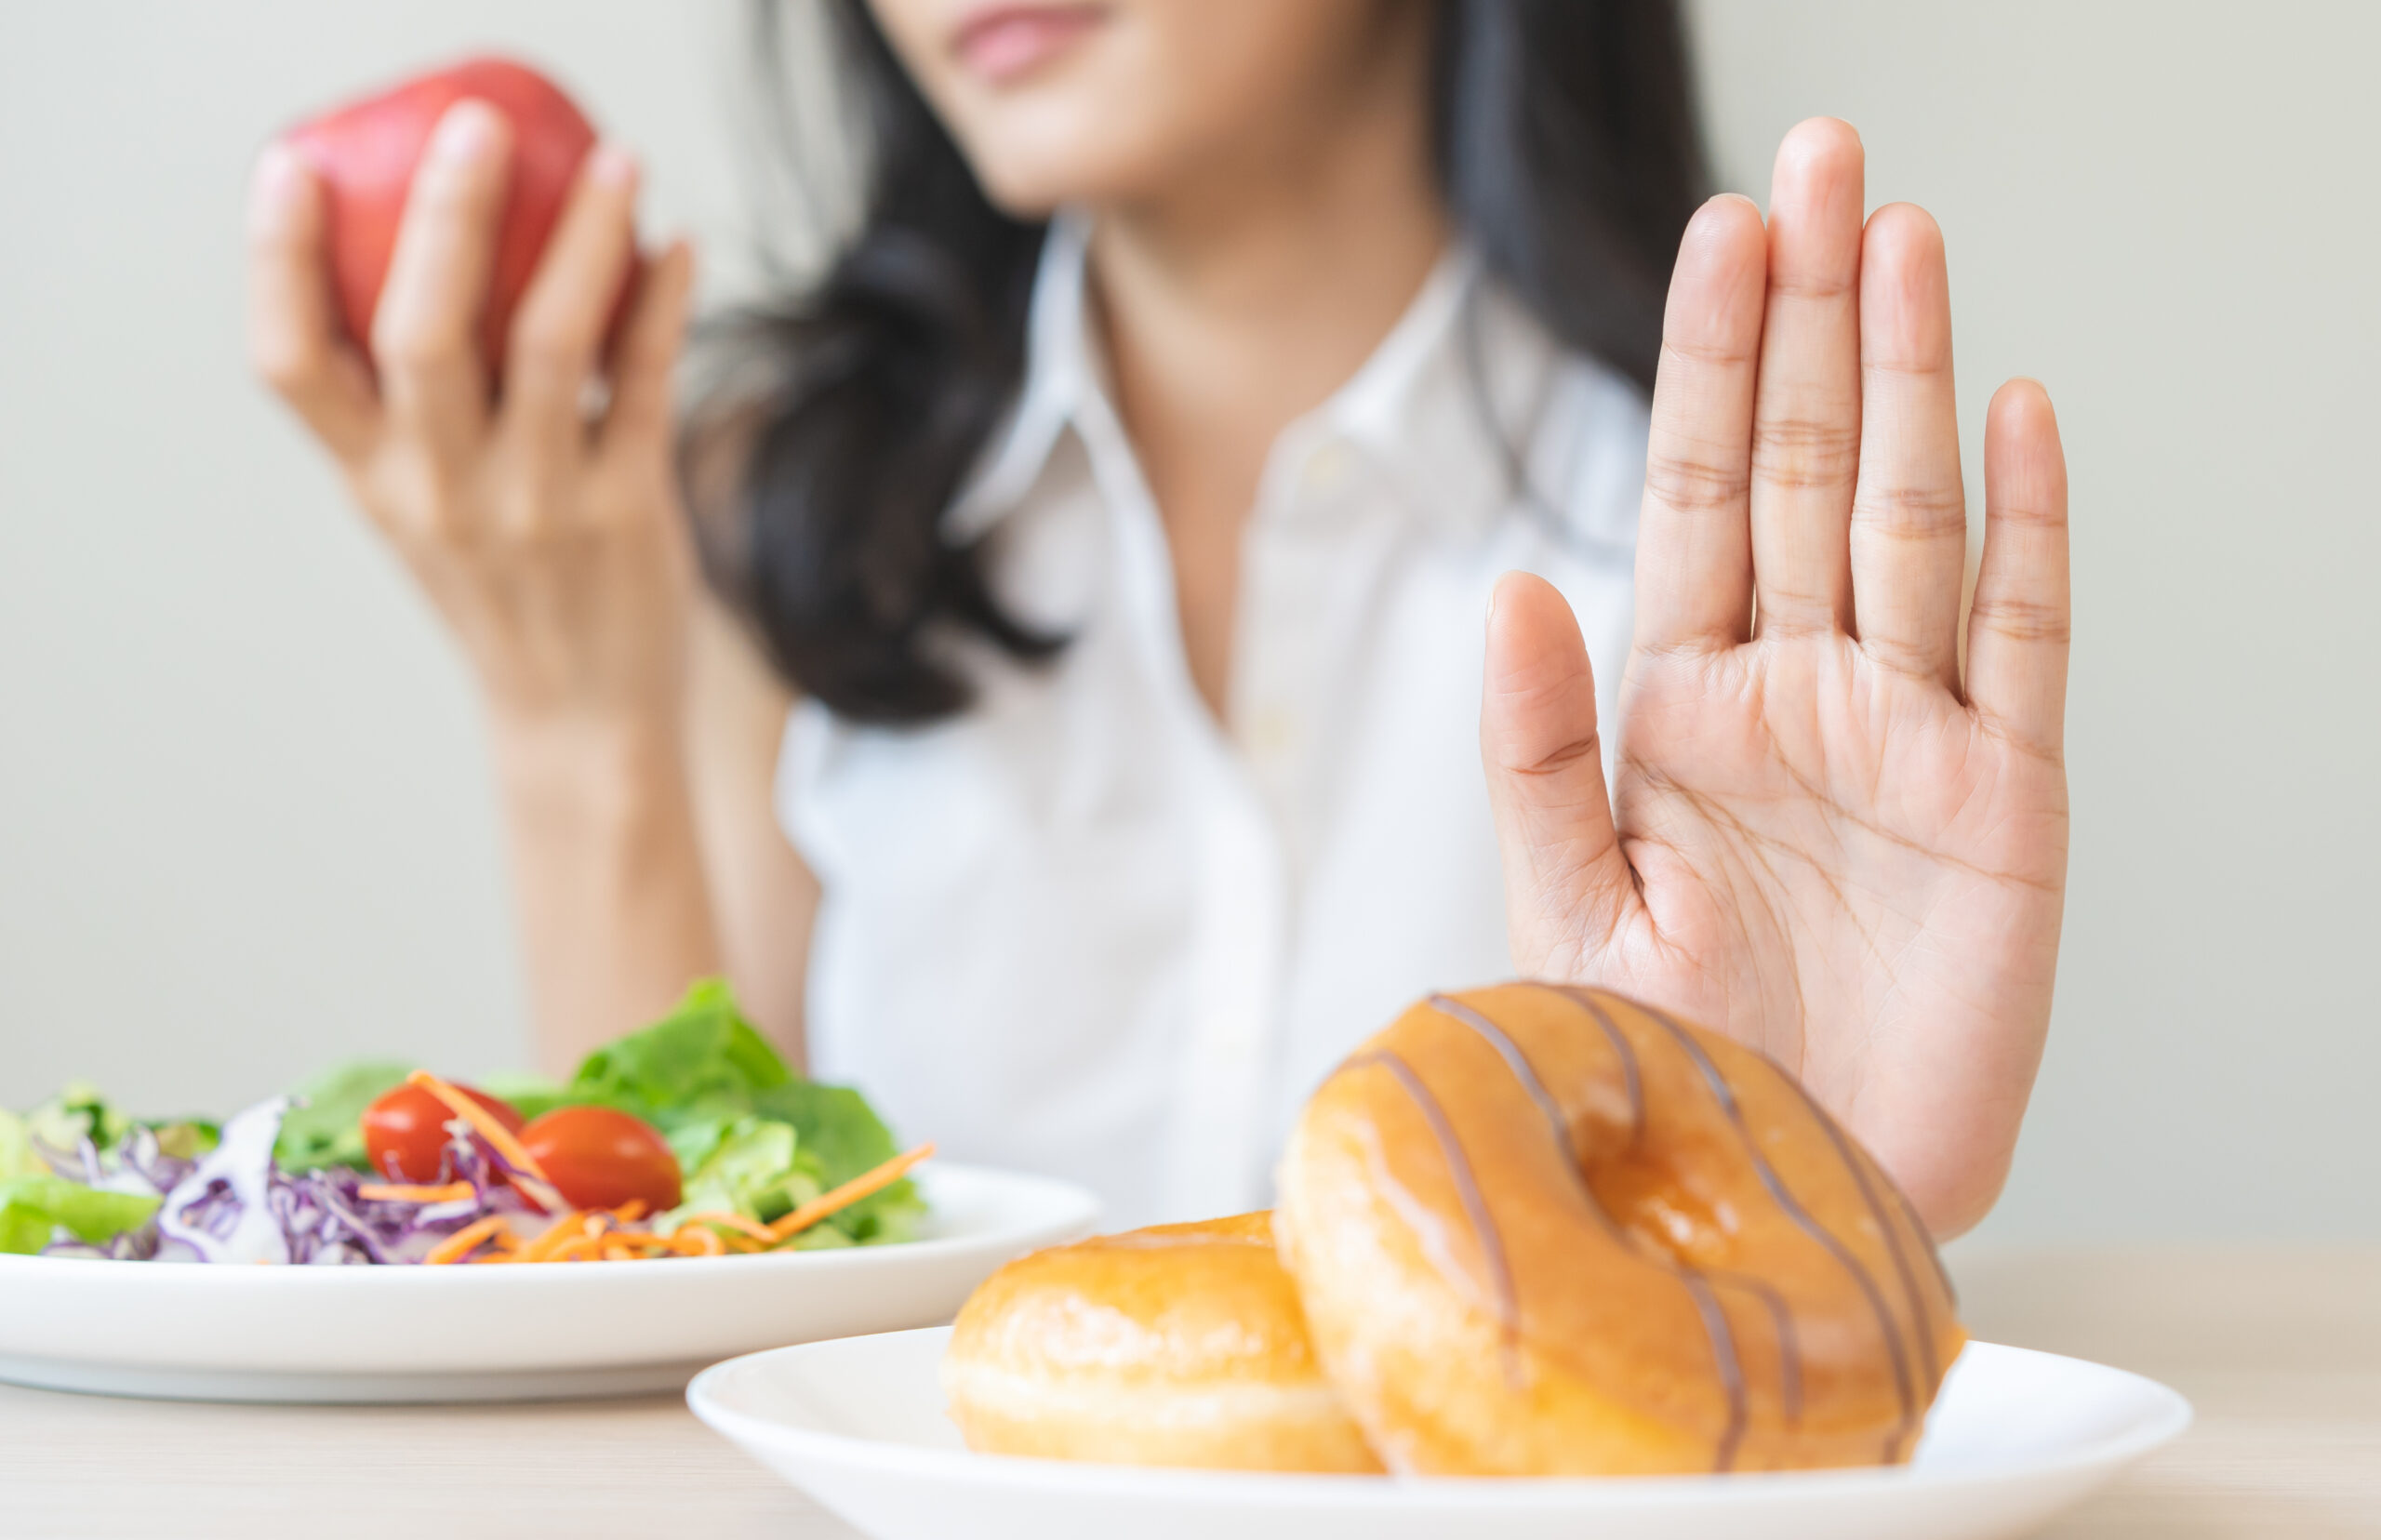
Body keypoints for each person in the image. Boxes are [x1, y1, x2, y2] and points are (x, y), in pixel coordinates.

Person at [246, 0, 2069, 1236]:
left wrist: (1831, 1206)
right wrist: (572, 731)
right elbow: (678, 1322)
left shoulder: (1770, 586)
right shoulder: (775, 512)